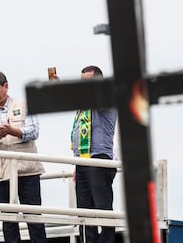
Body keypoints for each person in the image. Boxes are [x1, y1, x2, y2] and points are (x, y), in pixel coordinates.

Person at [0, 71, 47, 243]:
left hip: (26, 169)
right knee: (8, 217)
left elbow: (33, 131)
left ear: (5, 86)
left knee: (33, 215)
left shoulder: (25, 105)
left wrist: (10, 131)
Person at [71, 66, 117, 243]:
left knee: (102, 207)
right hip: (82, 160)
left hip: (99, 159)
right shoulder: (83, 104)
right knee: (84, 210)